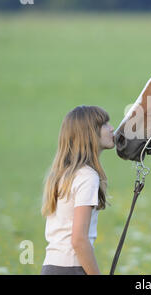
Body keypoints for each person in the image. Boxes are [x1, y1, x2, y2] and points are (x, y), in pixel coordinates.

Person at [40, 105, 115, 275]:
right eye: (104, 125)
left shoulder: (65, 174)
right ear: (88, 133)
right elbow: (79, 240)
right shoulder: (87, 177)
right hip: (71, 268)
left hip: (51, 267)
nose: (112, 128)